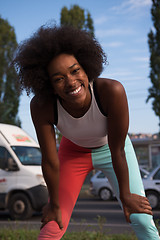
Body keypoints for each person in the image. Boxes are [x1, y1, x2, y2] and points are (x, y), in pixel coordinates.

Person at [13, 25, 160, 240]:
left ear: (86, 68)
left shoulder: (111, 92)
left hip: (112, 150)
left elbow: (118, 149)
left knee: (140, 218)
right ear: (49, 85)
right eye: (59, 78)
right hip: (72, 153)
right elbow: (50, 161)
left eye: (75, 71)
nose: (71, 82)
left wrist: (126, 195)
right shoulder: (42, 105)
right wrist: (53, 204)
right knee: (53, 225)